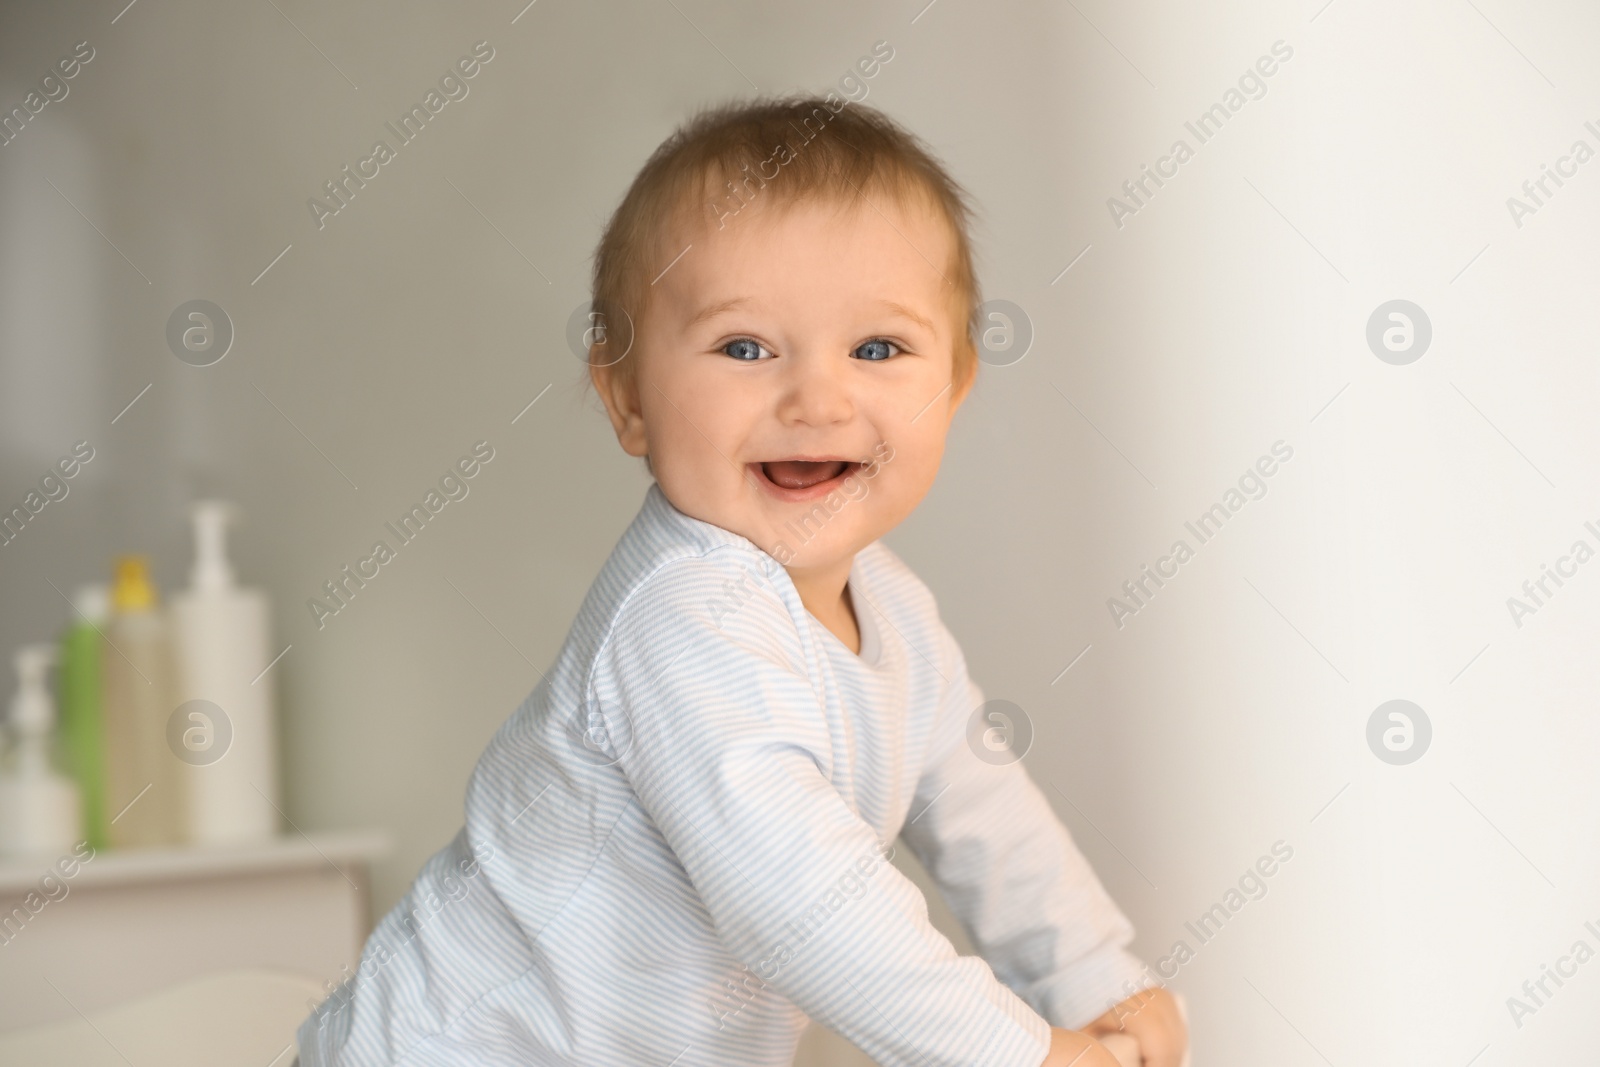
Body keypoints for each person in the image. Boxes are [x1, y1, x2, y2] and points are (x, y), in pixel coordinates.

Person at [295, 93, 1187, 1067]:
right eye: (745, 348)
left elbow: (987, 819)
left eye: (877, 348)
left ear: (956, 382)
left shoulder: (894, 611)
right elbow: (811, 904)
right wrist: (1022, 1051)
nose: (816, 397)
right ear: (626, 398)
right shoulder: (684, 619)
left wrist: (1102, 978)